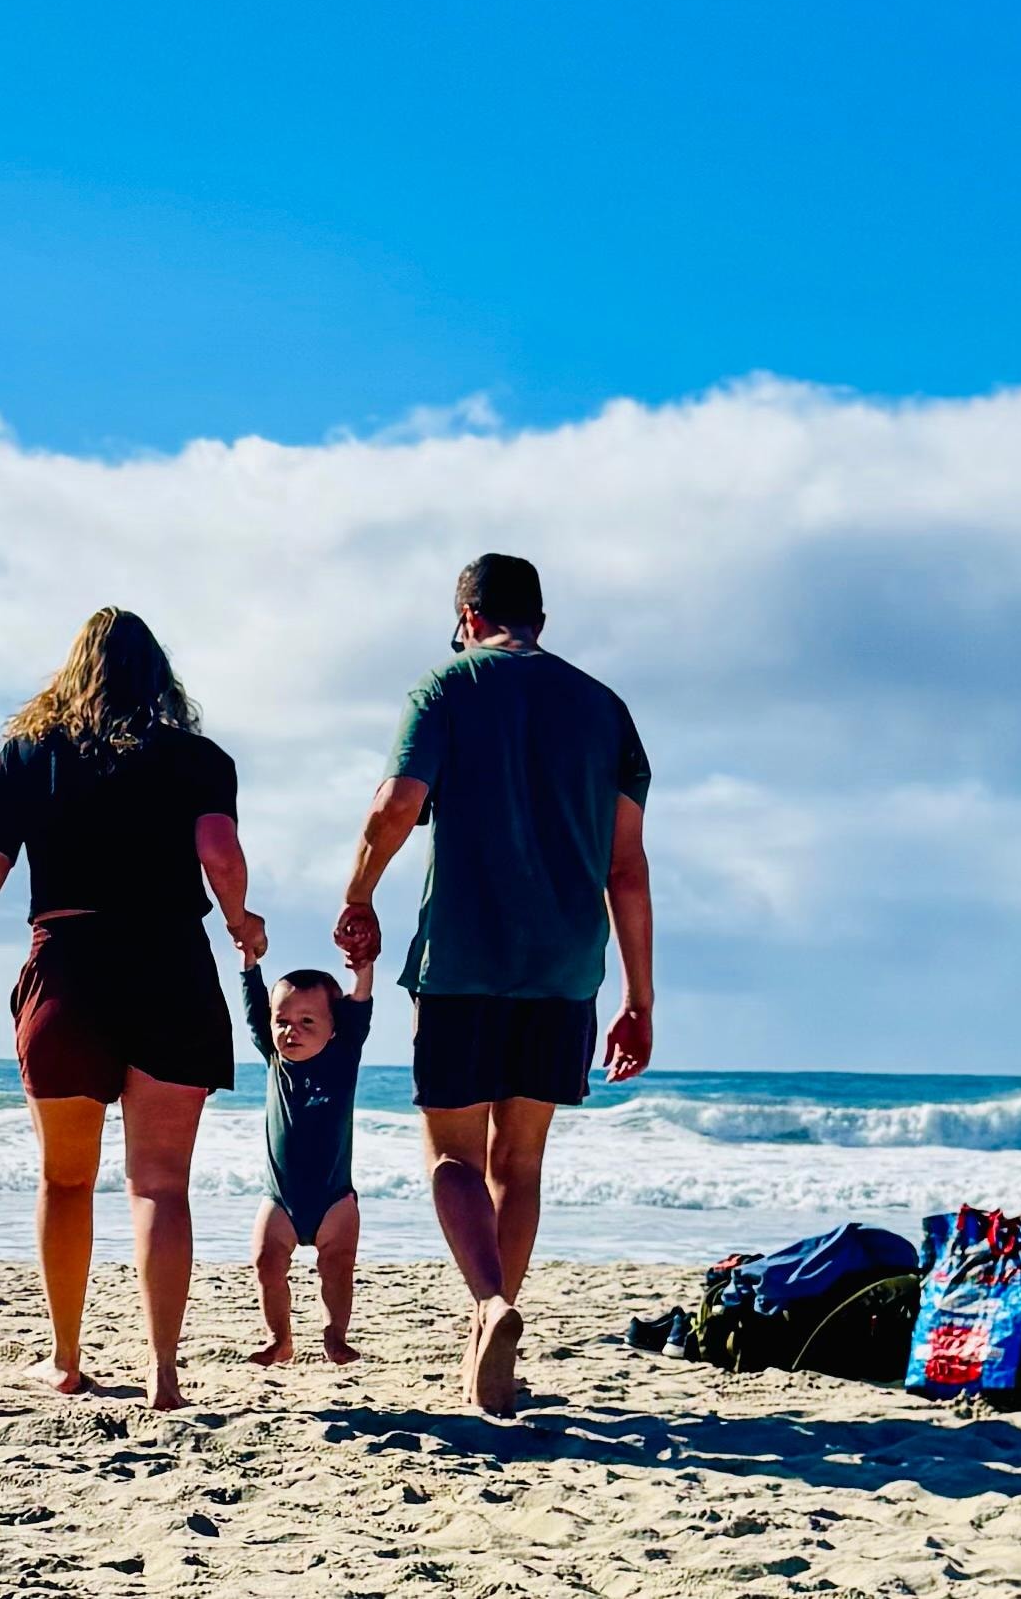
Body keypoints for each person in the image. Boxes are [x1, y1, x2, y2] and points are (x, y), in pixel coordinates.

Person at [333, 552, 653, 1414]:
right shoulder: (605, 710)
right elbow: (627, 868)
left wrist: (359, 893)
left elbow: (394, 804)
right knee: (519, 1161)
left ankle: (488, 1305)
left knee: (449, 1154)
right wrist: (638, 997)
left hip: (462, 959)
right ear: (538, 618)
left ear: (469, 617)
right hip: (564, 968)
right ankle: (494, 1346)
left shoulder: (447, 687)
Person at [0, 608, 266, 1412]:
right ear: (159, 679)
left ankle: (65, 1358)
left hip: (71, 969)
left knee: (66, 1179)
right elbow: (217, 851)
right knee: (159, 1184)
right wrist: (240, 920)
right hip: (171, 967)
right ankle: (163, 1374)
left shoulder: (26, 755)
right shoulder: (197, 759)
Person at [240, 960, 372, 1365]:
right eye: (282, 1021)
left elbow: (360, 1007)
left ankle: (335, 1336)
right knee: (266, 1262)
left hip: (335, 1199)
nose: (290, 1030)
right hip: (279, 1198)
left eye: (307, 1021)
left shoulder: (344, 1055)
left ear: (334, 1028)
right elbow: (252, 1010)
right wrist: (250, 964)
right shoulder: (274, 1059)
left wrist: (363, 968)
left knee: (337, 1266)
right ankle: (279, 1338)